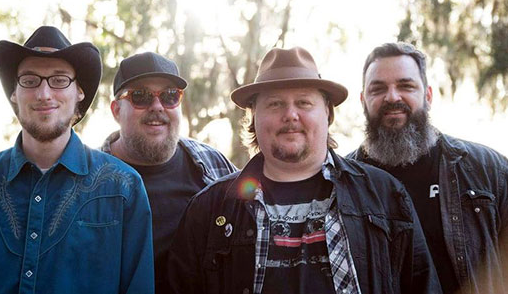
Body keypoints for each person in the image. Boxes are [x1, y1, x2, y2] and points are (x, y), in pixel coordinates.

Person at [167, 46, 441, 294]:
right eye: (275, 103)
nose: (290, 115)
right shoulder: (209, 210)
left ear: (327, 113)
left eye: (304, 102)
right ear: (254, 117)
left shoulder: (385, 196)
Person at [0, 26, 154, 294]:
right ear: (14, 93)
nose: (44, 94)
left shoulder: (123, 188)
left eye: (59, 80)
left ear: (79, 91)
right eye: (30, 80)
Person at [349, 42, 508, 294]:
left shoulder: (490, 171)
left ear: (428, 96)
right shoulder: (343, 183)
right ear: (363, 100)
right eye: (378, 89)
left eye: (406, 86)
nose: (392, 97)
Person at [101, 51, 237, 293]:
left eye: (170, 96)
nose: (157, 106)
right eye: (140, 96)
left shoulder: (214, 166)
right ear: (116, 110)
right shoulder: (88, 181)